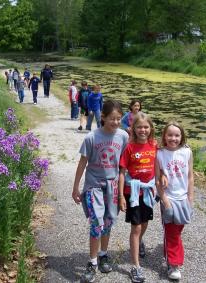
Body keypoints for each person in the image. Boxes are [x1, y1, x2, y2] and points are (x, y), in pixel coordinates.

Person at [72, 100, 129, 283]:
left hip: (112, 186)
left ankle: (104, 254)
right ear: (103, 117)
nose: (115, 122)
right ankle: (92, 262)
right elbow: (82, 163)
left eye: (119, 119)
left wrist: (122, 193)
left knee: (108, 221)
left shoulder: (123, 136)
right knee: (96, 222)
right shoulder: (91, 137)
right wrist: (76, 188)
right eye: (112, 118)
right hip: (93, 185)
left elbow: (123, 167)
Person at [118, 112, 161, 283]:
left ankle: (139, 241)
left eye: (145, 127)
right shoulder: (129, 148)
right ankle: (136, 266)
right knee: (135, 228)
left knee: (144, 224)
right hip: (133, 192)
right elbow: (122, 172)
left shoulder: (154, 146)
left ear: (150, 128)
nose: (142, 130)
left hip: (148, 192)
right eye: (139, 127)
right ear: (133, 129)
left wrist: (161, 180)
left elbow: (160, 165)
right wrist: (121, 196)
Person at [155, 121, 194, 281]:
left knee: (177, 230)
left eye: (177, 135)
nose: (173, 138)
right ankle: (174, 264)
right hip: (169, 199)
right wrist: (164, 200)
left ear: (181, 136)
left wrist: (190, 198)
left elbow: (190, 176)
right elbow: (158, 179)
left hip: (183, 198)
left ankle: (169, 253)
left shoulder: (187, 152)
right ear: (164, 136)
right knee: (172, 234)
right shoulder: (160, 153)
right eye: (170, 135)